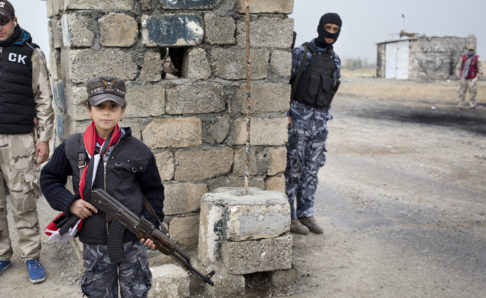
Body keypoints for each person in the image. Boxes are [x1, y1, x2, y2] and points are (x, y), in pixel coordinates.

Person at [40, 77, 165, 297]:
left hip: (132, 241)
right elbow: (49, 178)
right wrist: (70, 204)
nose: (106, 113)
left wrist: (150, 227)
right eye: (100, 106)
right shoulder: (73, 146)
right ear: (89, 110)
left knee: (136, 292)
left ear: (122, 111)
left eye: (113, 107)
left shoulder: (139, 151)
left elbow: (154, 192)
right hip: (94, 241)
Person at [0, 0, 53, 283]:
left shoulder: (31, 53)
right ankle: (2, 255)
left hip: (19, 141)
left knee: (23, 200)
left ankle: (32, 256)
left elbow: (44, 100)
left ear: (13, 19)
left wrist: (44, 139)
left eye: (2, 21)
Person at [285, 13, 342, 235]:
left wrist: (324, 117)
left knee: (312, 170)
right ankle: (290, 218)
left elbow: (332, 90)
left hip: (319, 122)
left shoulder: (335, 60)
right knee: (293, 170)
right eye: (327, 27)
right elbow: (284, 84)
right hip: (298, 118)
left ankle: (306, 214)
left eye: (335, 29)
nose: (330, 33)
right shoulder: (301, 53)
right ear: (320, 27)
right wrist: (286, 114)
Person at [456, 44, 484, 109]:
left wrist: (478, 76)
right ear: (467, 50)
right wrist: (458, 75)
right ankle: (460, 105)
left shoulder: (477, 58)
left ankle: (473, 105)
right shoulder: (463, 57)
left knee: (473, 92)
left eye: (472, 50)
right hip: (463, 77)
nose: (471, 51)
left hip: (473, 77)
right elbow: (458, 67)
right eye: (469, 50)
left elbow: (480, 67)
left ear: (474, 50)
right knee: (461, 92)